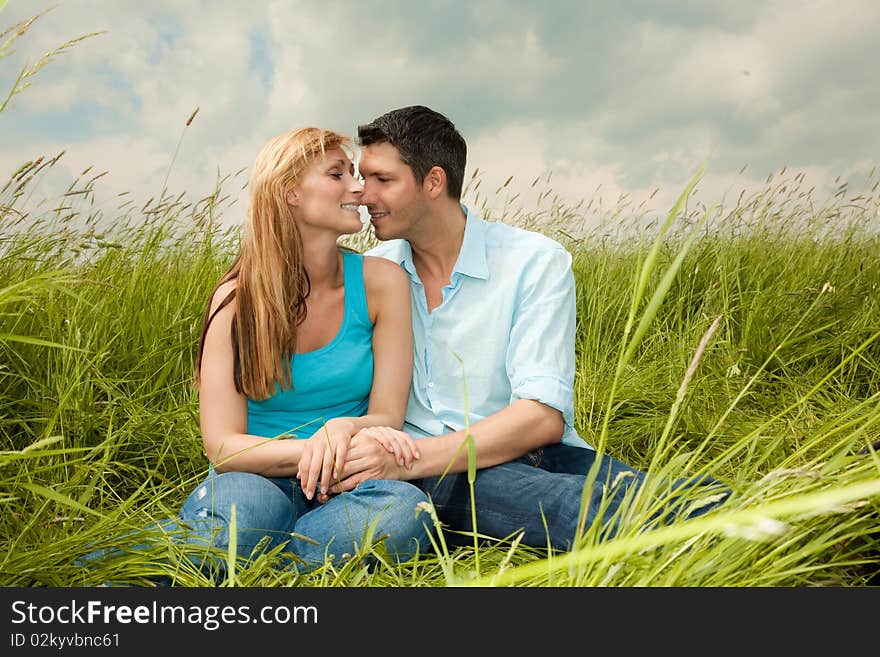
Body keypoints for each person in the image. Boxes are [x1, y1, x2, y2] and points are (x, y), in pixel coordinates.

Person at [319, 105, 731, 551]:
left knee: (670, 491)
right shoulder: (373, 275)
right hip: (440, 472)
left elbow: (541, 416)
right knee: (570, 506)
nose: (363, 194)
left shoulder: (533, 260)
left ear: (433, 182)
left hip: (531, 451)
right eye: (363, 178)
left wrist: (405, 462)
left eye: (383, 180)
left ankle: (771, 521)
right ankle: (745, 532)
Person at [80, 127, 431, 578]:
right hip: (254, 480)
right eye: (337, 174)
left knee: (408, 512)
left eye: (355, 174)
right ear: (291, 194)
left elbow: (386, 416)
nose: (358, 188)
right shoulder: (235, 299)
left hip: (346, 483)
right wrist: (311, 449)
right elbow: (223, 446)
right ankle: (258, 552)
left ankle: (245, 562)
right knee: (244, 514)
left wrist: (342, 429)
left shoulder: (383, 283)